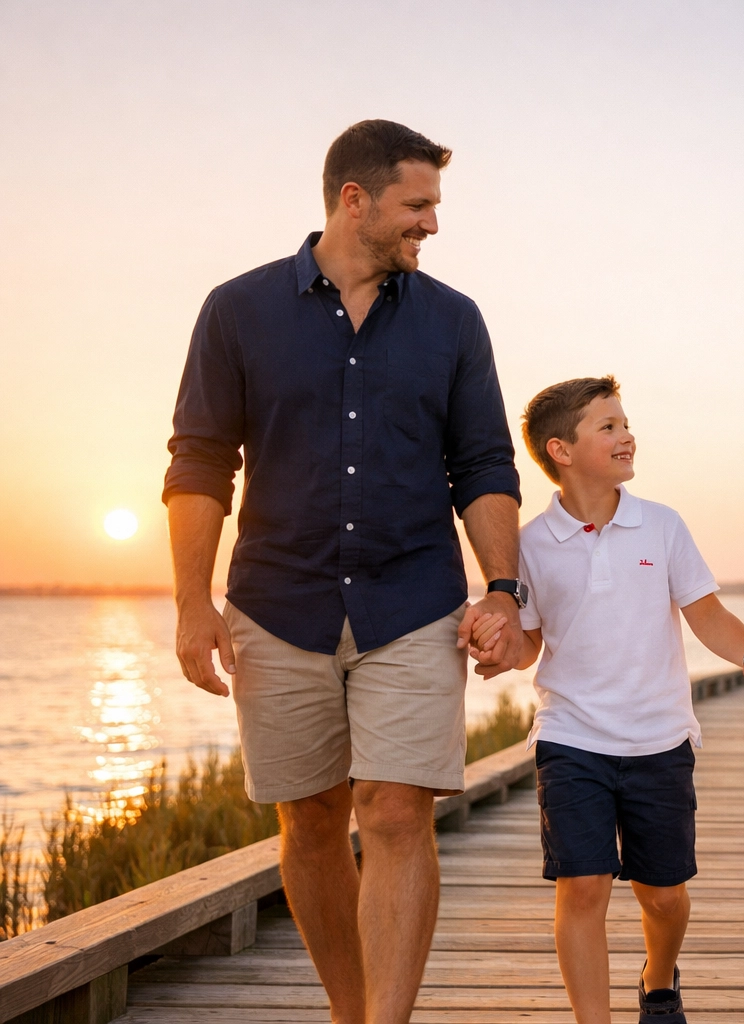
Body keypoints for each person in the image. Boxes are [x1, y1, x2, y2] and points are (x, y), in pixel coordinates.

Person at [163, 120, 525, 1024]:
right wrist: (190, 605)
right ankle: (351, 1010)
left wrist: (505, 590)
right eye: (418, 204)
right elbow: (201, 463)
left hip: (412, 601)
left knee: (397, 812)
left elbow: (482, 464)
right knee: (314, 821)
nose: (432, 225)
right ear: (352, 199)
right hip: (277, 603)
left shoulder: (454, 321)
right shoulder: (236, 310)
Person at [469, 376, 744, 1024]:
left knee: (663, 895)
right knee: (581, 885)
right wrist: (502, 651)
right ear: (560, 449)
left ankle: (660, 979)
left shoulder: (661, 526)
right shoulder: (530, 544)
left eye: (624, 423)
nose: (626, 435)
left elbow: (705, 614)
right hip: (572, 738)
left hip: (659, 740)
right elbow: (531, 644)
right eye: (607, 426)